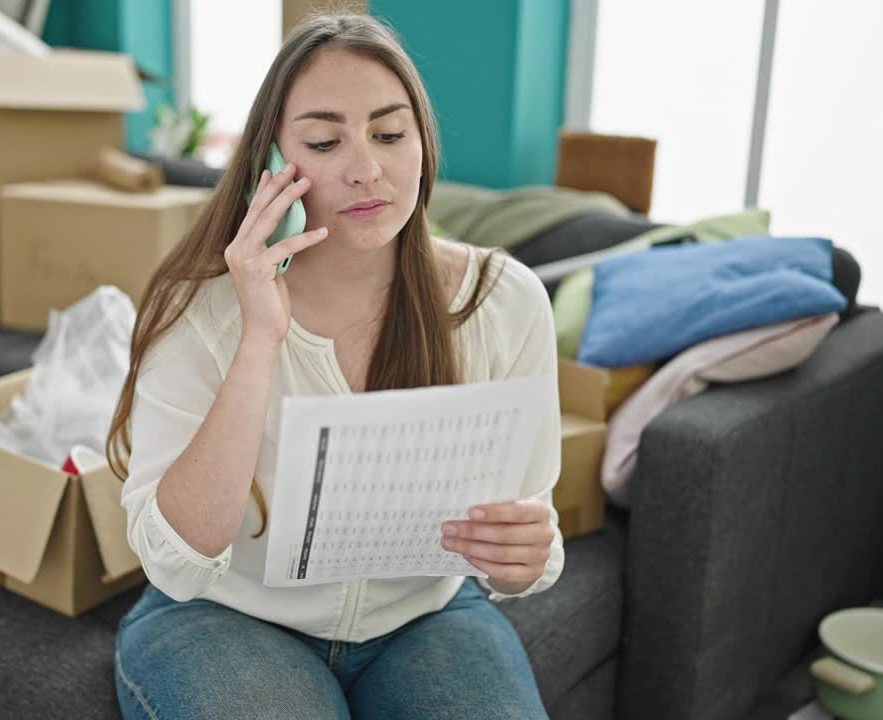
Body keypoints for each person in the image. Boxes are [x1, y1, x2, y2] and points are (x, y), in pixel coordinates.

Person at [105, 12, 564, 720]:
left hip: (426, 615)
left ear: (423, 145)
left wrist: (528, 554)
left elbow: (533, 517)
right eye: (324, 141)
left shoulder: (503, 301)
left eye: (389, 134)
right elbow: (177, 558)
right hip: (225, 616)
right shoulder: (200, 309)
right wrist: (259, 337)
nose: (365, 169)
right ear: (272, 163)